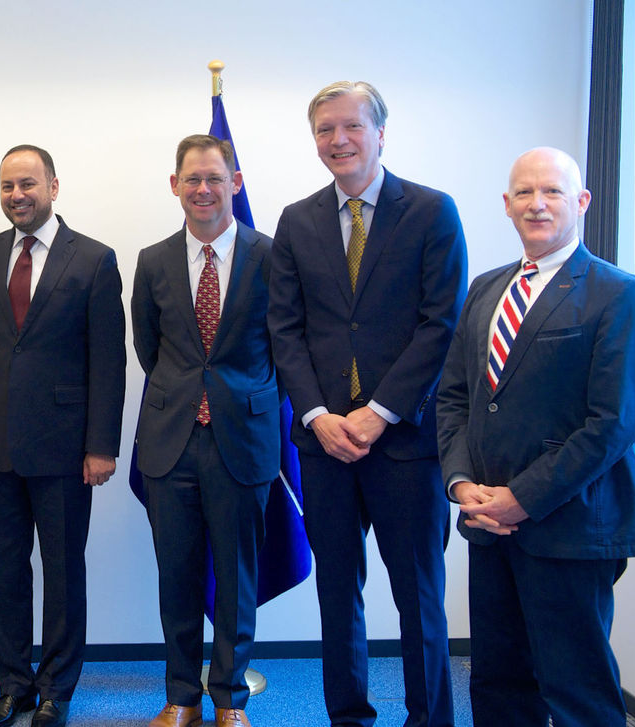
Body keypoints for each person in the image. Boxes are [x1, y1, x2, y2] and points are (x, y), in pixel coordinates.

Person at [268, 81, 467, 727]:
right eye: (325, 130)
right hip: (324, 444)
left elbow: (440, 325)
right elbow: (285, 330)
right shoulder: (297, 221)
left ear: (382, 133)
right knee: (337, 592)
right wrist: (319, 416)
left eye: (351, 126)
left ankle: (429, 718)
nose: (338, 140)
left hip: (406, 443)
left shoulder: (432, 212)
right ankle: (348, 715)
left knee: (419, 597)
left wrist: (378, 411)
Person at [436, 147, 635, 726]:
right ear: (506, 206)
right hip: (488, 527)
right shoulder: (485, 290)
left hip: (571, 528)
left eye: (553, 192)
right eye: (524, 193)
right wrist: (461, 485)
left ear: (580, 202)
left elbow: (612, 424)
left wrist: (520, 499)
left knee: (577, 692)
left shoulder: (620, 294)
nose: (538, 204)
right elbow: (456, 398)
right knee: (500, 684)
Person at [0, 145, 126, 727]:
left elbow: (109, 362)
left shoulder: (94, 260)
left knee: (62, 569)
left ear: (53, 185)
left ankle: (56, 689)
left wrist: (102, 445)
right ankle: (14, 685)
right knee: (3, 569)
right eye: (6, 186)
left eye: (27, 183)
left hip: (66, 446)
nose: (16, 195)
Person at [131, 134, 279, 727]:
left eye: (215, 179)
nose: (203, 190)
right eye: (191, 179)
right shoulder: (152, 260)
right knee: (178, 576)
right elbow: (150, 349)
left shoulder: (271, 257)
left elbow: (282, 346)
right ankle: (181, 697)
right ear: (175, 186)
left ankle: (229, 701)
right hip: (172, 441)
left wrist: (238, 399)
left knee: (238, 580)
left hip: (243, 440)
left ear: (234, 184)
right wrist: (189, 398)